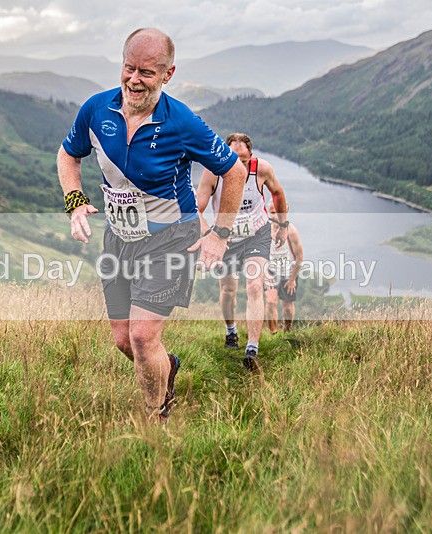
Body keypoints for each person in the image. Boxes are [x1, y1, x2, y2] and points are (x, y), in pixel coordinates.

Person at [57, 28, 248, 420]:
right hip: (120, 239)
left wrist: (221, 233)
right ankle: (167, 368)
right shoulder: (96, 110)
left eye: (147, 72)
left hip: (170, 240)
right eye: (129, 68)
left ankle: (156, 418)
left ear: (168, 74)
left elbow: (235, 171)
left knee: (144, 339)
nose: (134, 79)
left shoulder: (182, 122)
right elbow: (67, 154)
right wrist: (74, 200)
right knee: (124, 340)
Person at [195, 133, 288, 372]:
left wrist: (283, 226)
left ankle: (252, 349)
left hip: (256, 234)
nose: (240, 165)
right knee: (228, 289)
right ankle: (231, 331)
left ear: (251, 157)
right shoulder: (213, 173)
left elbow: (277, 193)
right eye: (234, 160)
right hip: (225, 238)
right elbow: (198, 209)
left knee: (255, 285)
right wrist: (209, 236)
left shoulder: (262, 169)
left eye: (244, 160)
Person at [264, 204, 304, 333]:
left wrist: (292, 280)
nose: (275, 215)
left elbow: (299, 257)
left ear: (285, 213)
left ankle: (287, 330)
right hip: (270, 271)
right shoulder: (264, 229)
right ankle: (273, 333)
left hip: (288, 272)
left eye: (279, 212)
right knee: (270, 302)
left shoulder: (291, 231)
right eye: (272, 212)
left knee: (287, 306)